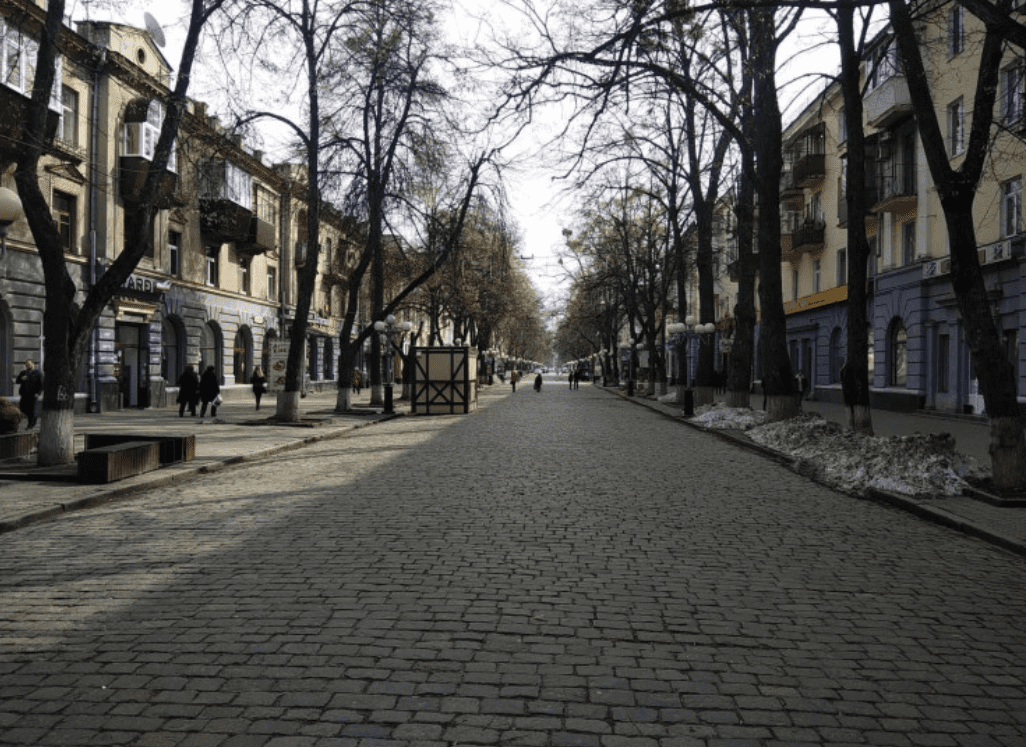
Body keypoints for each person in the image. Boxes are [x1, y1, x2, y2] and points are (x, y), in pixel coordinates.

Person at [15, 359, 42, 429]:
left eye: (29, 364)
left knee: (32, 411)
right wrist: (21, 378)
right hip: (24, 394)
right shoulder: (23, 372)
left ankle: (30, 425)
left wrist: (38, 393)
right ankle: (34, 418)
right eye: (26, 364)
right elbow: (17, 381)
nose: (28, 365)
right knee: (22, 408)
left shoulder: (37, 373)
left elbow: (41, 384)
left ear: (33, 364)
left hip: (33, 395)